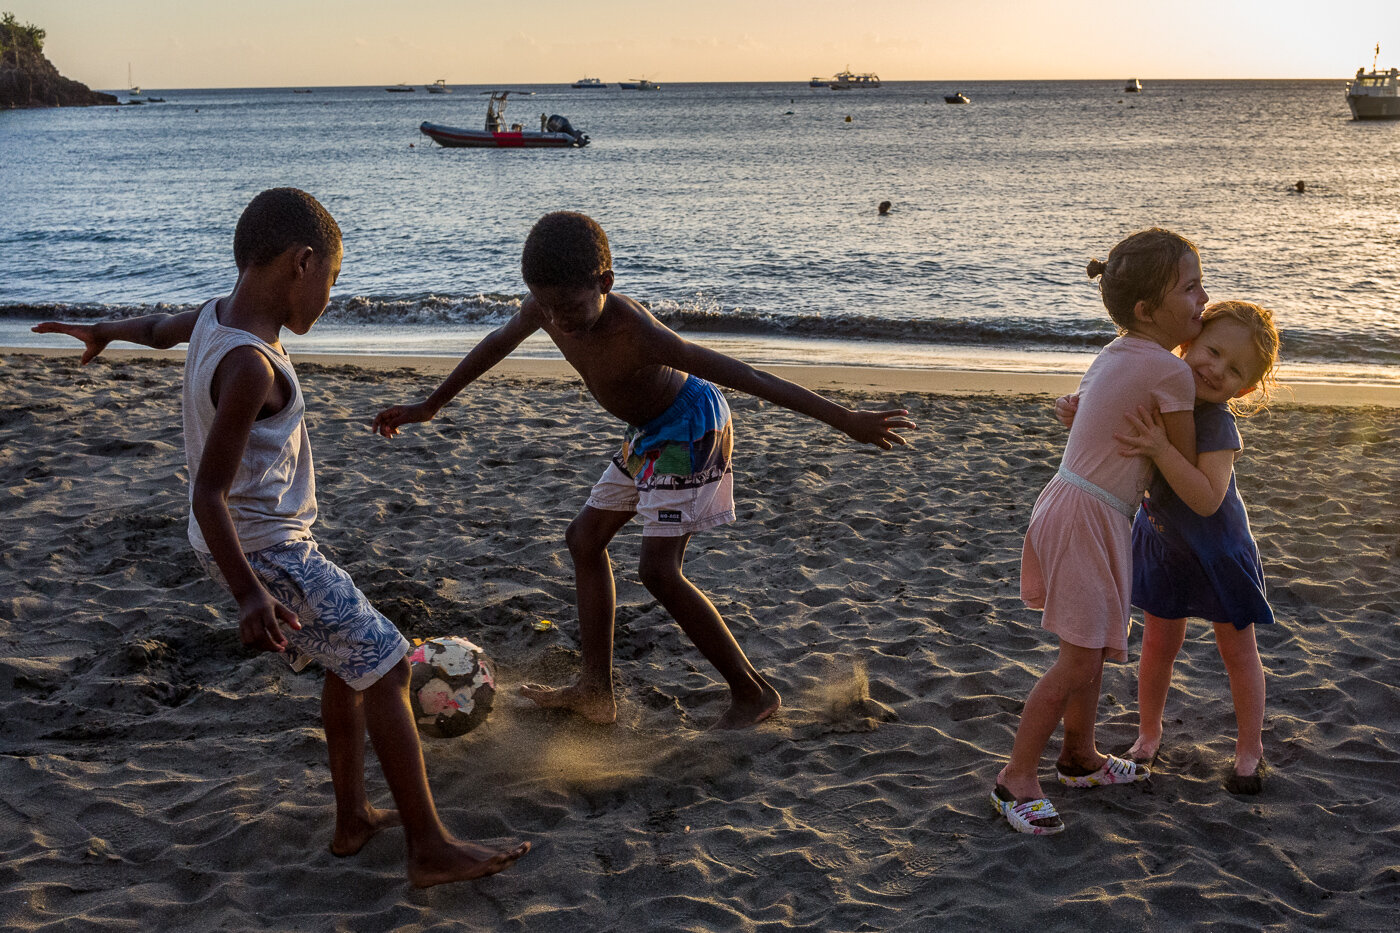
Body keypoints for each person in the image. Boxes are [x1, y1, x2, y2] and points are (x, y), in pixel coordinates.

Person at [33, 188, 529, 888]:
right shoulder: (251, 367)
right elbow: (207, 493)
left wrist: (106, 329)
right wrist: (248, 595)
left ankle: (353, 819)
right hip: (265, 551)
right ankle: (429, 845)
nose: (330, 296)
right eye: (332, 278)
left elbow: (160, 325)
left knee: (347, 661)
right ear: (301, 263)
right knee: (387, 665)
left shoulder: (214, 320)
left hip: (251, 545)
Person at [372, 211, 915, 730]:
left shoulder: (636, 331)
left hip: (691, 428)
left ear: (605, 280)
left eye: (571, 307)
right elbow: (494, 344)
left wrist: (845, 418)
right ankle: (595, 691)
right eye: (546, 307)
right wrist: (432, 404)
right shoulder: (546, 306)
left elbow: (746, 375)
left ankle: (753, 692)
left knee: (658, 571)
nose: (558, 320)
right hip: (649, 435)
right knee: (584, 540)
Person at [990, 228, 1207, 835]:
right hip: (1090, 515)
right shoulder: (1171, 374)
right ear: (1147, 310)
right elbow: (1182, 467)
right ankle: (1016, 778)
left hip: (1074, 502)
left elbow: (1090, 407)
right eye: (1190, 288)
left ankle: (1080, 757)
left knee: (1088, 650)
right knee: (1078, 659)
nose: (1203, 298)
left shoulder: (1115, 351)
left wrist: (1077, 409)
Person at [1092, 301, 1281, 795]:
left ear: (1245, 388)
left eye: (1235, 369)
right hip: (1162, 545)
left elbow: (1204, 497)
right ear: (1188, 343)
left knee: (1237, 650)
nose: (1217, 369)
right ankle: (1148, 734)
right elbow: (1113, 430)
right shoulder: (1160, 397)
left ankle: (1249, 750)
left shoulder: (1218, 425)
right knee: (1157, 645)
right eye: (1213, 351)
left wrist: (1161, 450)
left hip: (1219, 552)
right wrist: (1077, 409)